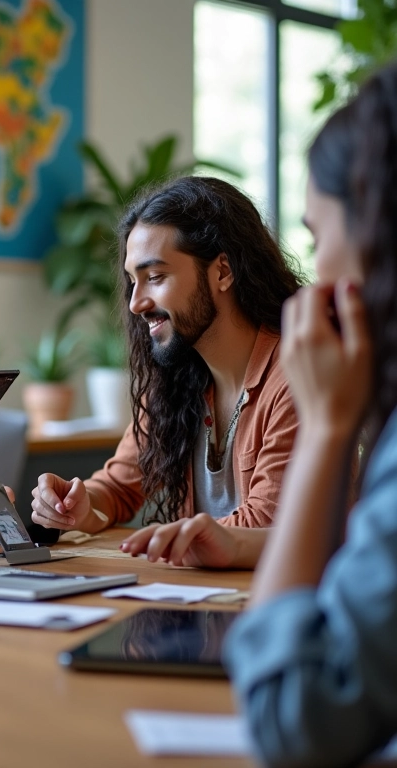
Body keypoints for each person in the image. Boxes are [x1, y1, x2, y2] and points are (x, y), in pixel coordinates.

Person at [221, 63, 397, 767]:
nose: (316, 272)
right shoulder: (169, 387)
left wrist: (330, 427)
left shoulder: (306, 382)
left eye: (318, 236)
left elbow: (293, 723)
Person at [30, 177, 304, 536]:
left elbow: (268, 526)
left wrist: (164, 541)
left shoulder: (296, 376)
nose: (135, 303)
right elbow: (116, 488)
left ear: (222, 271)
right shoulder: (176, 381)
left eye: (155, 276)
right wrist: (80, 505)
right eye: (132, 281)